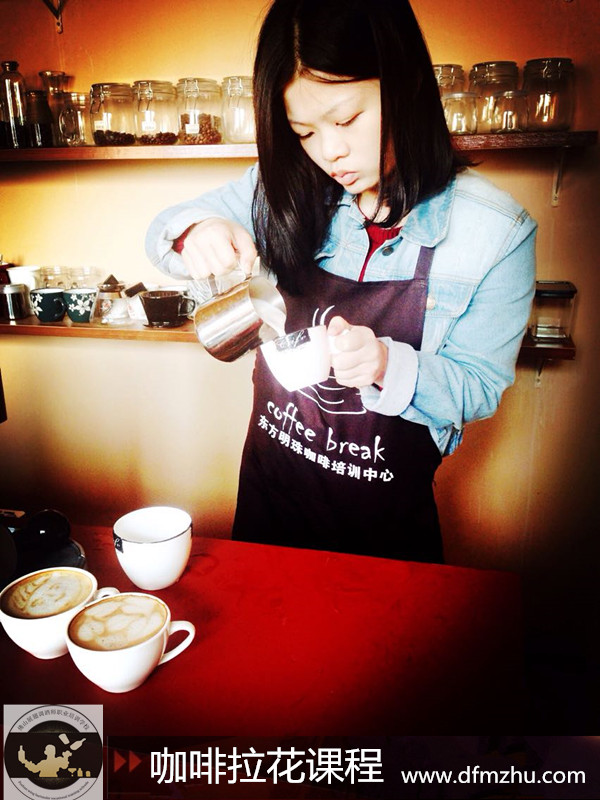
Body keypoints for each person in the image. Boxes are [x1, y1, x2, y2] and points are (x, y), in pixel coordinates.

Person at [145, 0, 536, 563]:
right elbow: (164, 230)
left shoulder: (497, 232)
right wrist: (197, 231)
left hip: (386, 530)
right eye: (304, 132)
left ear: (404, 84)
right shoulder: (284, 185)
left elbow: (478, 388)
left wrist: (386, 364)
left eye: (346, 120)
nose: (330, 152)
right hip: (271, 498)